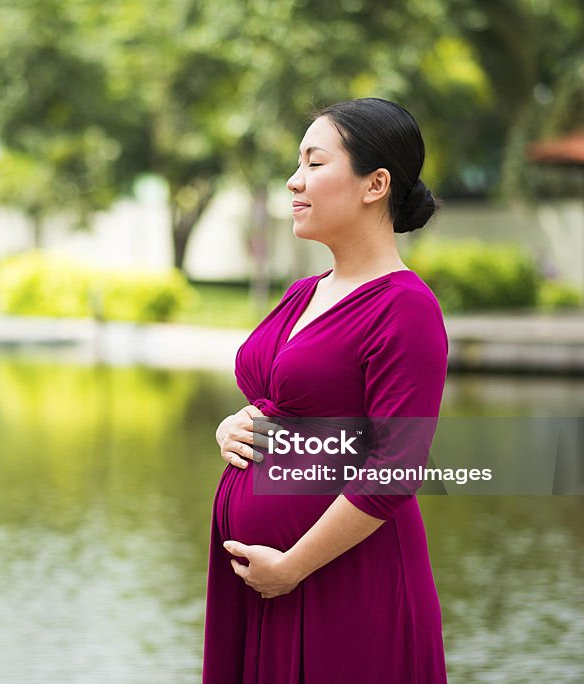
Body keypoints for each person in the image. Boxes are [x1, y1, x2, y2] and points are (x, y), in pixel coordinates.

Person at [202, 98, 448, 683]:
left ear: (375, 184)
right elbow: (290, 399)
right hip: (265, 579)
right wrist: (232, 425)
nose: (294, 180)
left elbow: (396, 466)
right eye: (297, 164)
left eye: (314, 163)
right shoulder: (303, 291)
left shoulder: (405, 308)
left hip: (342, 581)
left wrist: (292, 567)